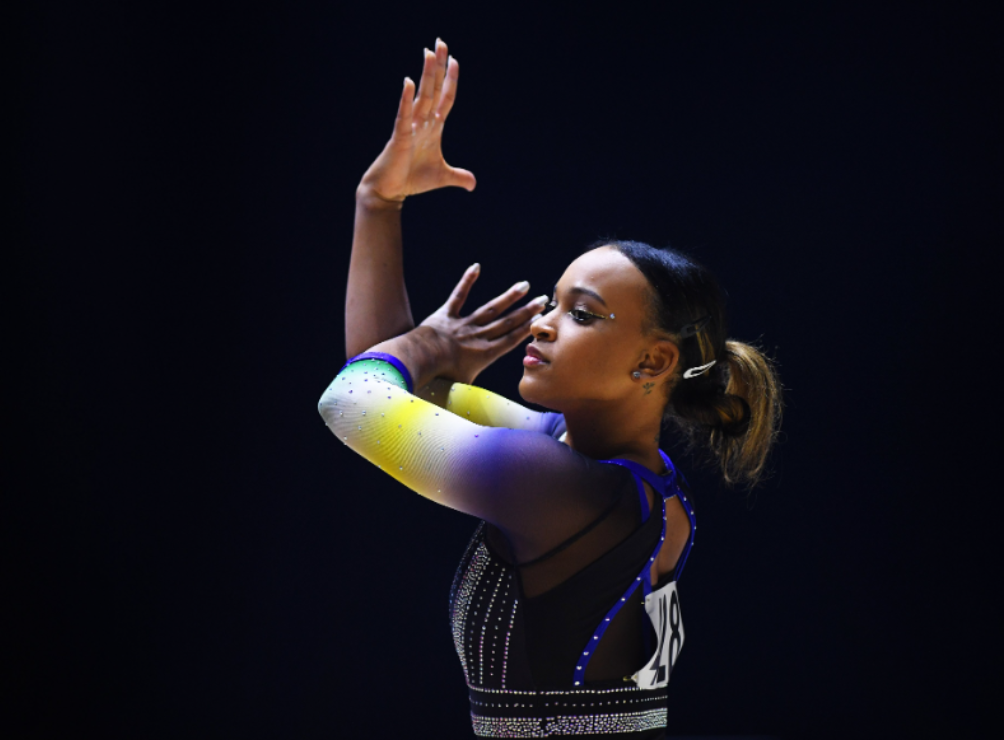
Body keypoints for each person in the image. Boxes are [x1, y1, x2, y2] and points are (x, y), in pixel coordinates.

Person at [317, 39, 783, 739]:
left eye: (582, 314)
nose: (543, 322)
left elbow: (351, 401)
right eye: (553, 301)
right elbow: (386, 388)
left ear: (654, 363)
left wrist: (429, 345)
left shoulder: (561, 487)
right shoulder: (608, 473)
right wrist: (379, 204)